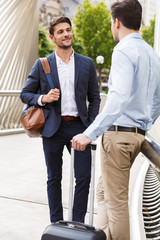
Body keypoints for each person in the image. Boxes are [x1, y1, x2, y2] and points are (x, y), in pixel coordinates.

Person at [72, 0, 160, 239]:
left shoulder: (123, 50)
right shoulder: (152, 54)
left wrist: (90, 132)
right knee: (103, 194)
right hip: (136, 137)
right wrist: (141, 125)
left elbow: (118, 98)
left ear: (116, 22)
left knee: (117, 204)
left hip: (118, 136)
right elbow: (158, 100)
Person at [20, 16, 100, 223]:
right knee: (54, 178)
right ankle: (56, 223)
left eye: (68, 30)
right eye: (60, 32)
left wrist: (90, 125)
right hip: (53, 128)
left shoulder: (86, 64)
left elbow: (94, 96)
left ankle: (77, 223)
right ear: (52, 37)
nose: (66, 34)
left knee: (83, 177)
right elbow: (25, 94)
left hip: (80, 128)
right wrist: (43, 98)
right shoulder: (42, 64)